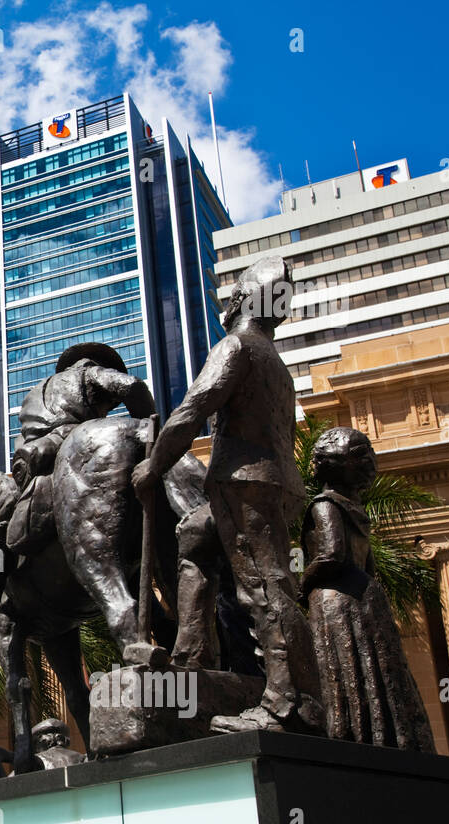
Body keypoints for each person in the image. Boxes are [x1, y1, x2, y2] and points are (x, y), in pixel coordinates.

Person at [132, 255, 324, 735]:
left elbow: (191, 410)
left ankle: (290, 706)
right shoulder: (276, 362)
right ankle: (191, 665)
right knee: (195, 537)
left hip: (245, 484)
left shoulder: (237, 346)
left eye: (235, 291)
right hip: (272, 485)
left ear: (242, 300)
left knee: (264, 586)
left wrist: (153, 465)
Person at [0, 342, 155, 650]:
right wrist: (148, 427)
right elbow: (132, 386)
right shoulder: (91, 375)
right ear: (91, 364)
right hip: (69, 451)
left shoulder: (34, 394)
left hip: (35, 462)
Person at [301, 428, 435, 751]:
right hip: (367, 595)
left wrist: (302, 584)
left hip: (336, 600)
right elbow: (368, 565)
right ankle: (393, 738)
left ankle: (354, 737)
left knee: (347, 675)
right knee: (381, 673)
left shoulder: (324, 505)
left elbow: (331, 553)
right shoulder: (357, 510)